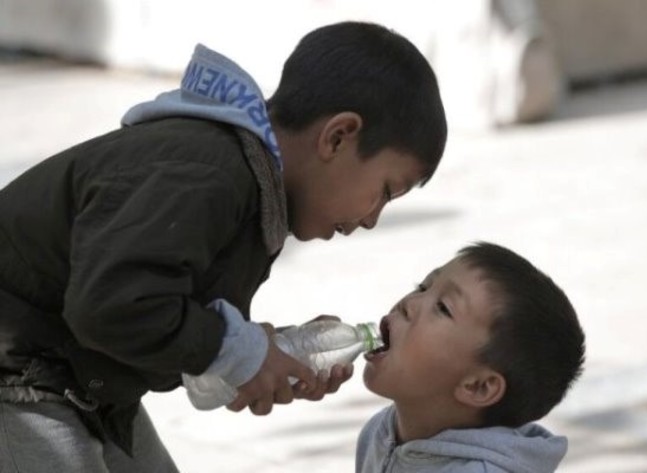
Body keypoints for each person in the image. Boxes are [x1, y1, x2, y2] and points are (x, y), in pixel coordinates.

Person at [0, 21, 447, 472]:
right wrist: (239, 353)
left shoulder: (252, 193)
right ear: (337, 137)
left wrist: (260, 356)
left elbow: (173, 323)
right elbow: (112, 305)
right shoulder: (204, 173)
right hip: (20, 376)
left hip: (84, 380)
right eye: (386, 192)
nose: (372, 220)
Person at [357, 242, 585, 473]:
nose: (410, 303)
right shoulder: (380, 432)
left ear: (478, 386)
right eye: (423, 287)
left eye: (444, 308)